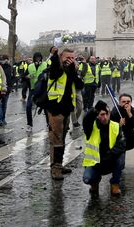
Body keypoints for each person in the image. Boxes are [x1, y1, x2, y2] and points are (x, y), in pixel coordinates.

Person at [45, 48, 83, 180]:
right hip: (55, 108)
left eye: (72, 58)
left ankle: (59, 165)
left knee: (61, 138)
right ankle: (55, 169)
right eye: (67, 58)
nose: (70, 60)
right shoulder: (56, 68)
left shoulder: (71, 71)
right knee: (56, 139)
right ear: (61, 57)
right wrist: (55, 54)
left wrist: (75, 71)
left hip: (67, 108)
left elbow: (79, 85)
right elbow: (55, 66)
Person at [82, 101, 126, 196]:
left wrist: (110, 155)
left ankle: (115, 183)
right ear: (97, 115)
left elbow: (122, 145)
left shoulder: (116, 126)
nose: (105, 117)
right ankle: (94, 183)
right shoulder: (91, 127)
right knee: (87, 179)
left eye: (107, 114)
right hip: (95, 163)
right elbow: (86, 120)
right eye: (102, 114)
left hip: (111, 160)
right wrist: (94, 110)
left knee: (121, 157)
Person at [110, 93, 134, 172]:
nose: (126, 103)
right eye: (123, 102)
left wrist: (130, 114)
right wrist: (119, 125)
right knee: (120, 166)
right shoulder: (115, 111)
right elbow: (110, 131)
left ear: (131, 102)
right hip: (119, 140)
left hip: (130, 139)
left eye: (128, 101)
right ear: (119, 103)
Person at [25, 52, 47, 132]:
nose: (38, 59)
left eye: (39, 57)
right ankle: (29, 124)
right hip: (33, 89)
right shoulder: (30, 66)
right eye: (36, 57)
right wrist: (27, 76)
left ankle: (48, 124)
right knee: (28, 106)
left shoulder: (45, 64)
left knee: (46, 107)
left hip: (43, 90)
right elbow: (24, 76)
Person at [0, 55, 14, 127]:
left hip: (7, 89)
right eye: (2, 59)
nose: (3, 61)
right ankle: (0, 119)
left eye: (4, 59)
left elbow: (13, 78)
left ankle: (3, 118)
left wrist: (10, 87)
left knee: (4, 105)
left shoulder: (10, 68)